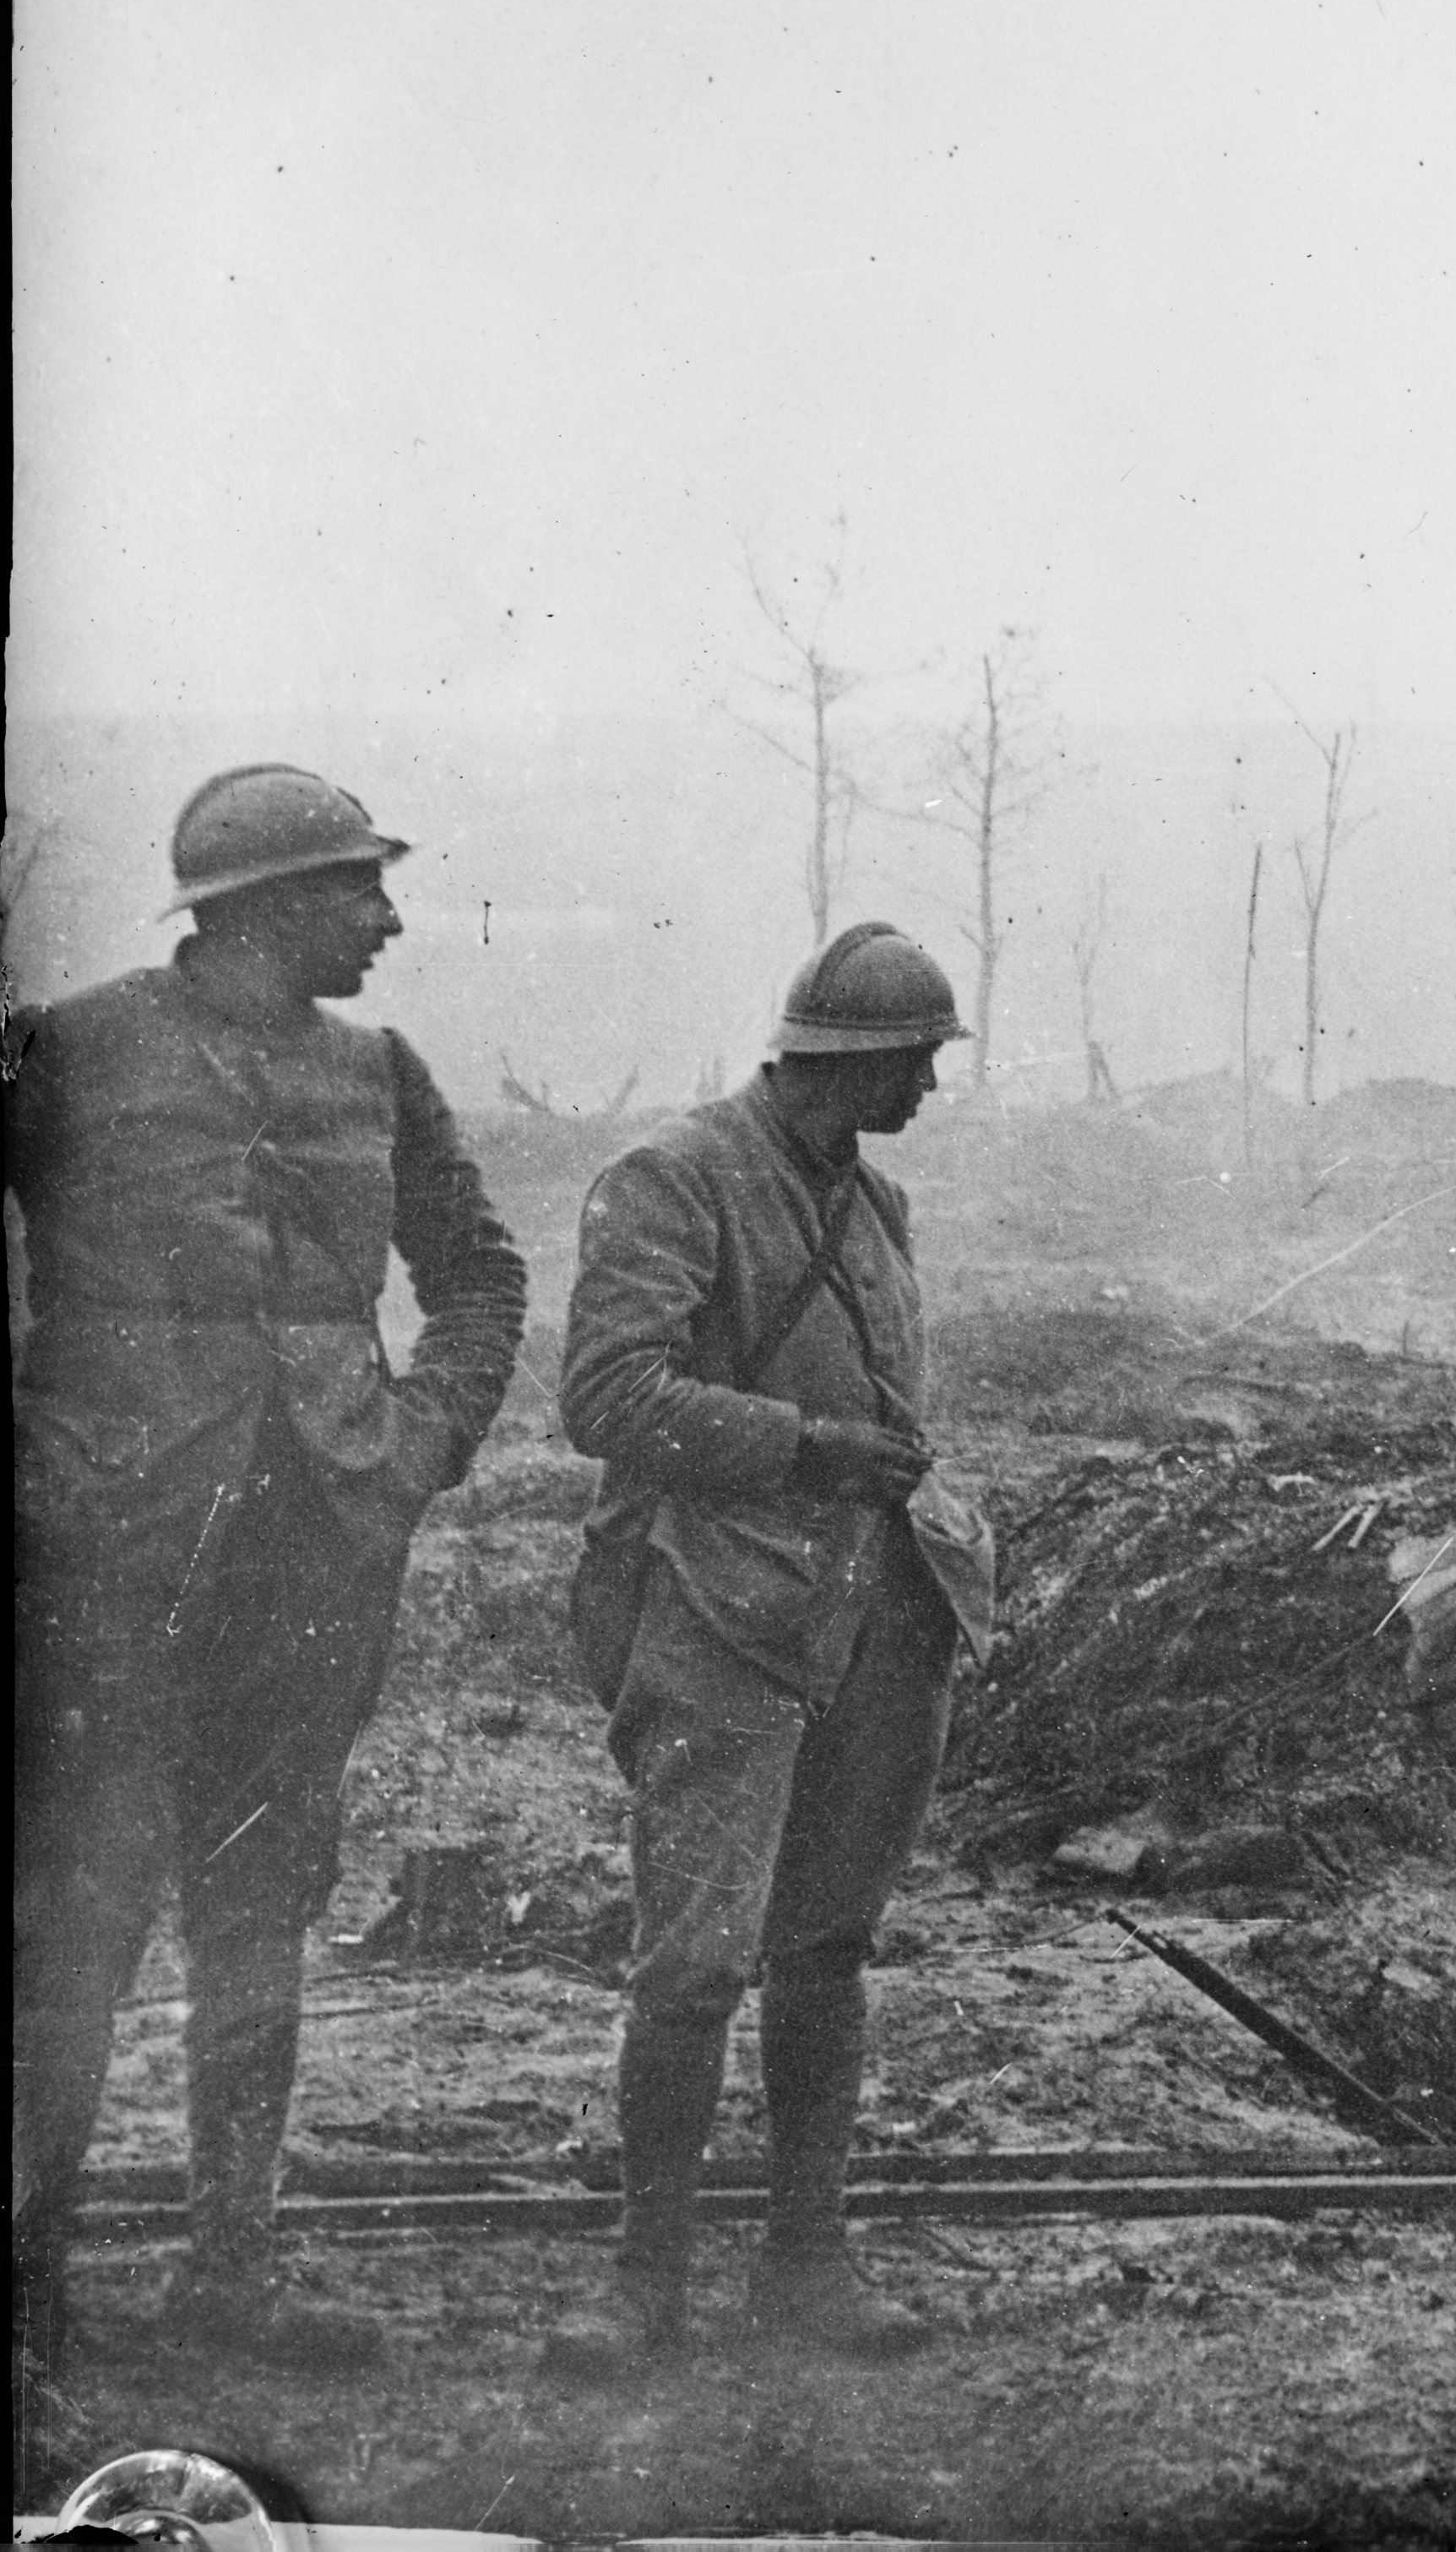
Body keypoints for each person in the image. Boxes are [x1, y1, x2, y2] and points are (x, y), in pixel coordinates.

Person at [9, 769, 530, 2375]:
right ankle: (28, 2291)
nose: (389, 919)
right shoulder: (70, 1048)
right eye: (360, 890)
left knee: (264, 1897)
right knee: (76, 1909)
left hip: (314, 1552)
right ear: (268, 904)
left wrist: (412, 1447)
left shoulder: (380, 1071)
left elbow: (481, 1276)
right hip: (105, 1554)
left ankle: (232, 2277)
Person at [543, 924, 996, 2373]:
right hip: (718, 1613)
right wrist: (805, 1449)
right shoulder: (675, 1179)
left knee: (827, 1951)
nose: (930, 1084)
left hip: (876, 1615)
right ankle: (643, 2287)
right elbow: (608, 1395)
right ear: (850, 1060)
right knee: (691, 1967)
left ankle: (808, 2266)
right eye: (917, 1060)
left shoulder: (878, 1205)